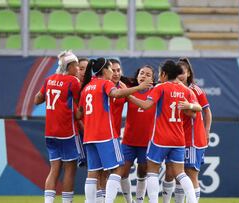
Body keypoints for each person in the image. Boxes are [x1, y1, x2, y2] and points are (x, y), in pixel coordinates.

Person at [78, 58, 152, 203]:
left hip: (89, 136)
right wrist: (139, 87)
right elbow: (116, 94)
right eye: (111, 69)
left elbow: (79, 114)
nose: (113, 72)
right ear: (104, 70)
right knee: (119, 169)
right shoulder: (106, 83)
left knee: (92, 173)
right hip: (105, 134)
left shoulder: (87, 87)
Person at [127, 60, 201, 203]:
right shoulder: (185, 90)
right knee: (180, 173)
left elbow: (146, 105)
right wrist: (189, 105)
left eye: (160, 73)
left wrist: (130, 96)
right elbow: (197, 109)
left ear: (165, 74)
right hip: (178, 139)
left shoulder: (161, 88)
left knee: (152, 171)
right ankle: (192, 201)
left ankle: (153, 201)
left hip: (160, 138)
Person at [34, 50, 84, 203]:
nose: (77, 69)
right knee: (70, 168)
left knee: (54, 168)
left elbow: (37, 100)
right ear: (69, 66)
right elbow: (79, 110)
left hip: (50, 132)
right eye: (76, 66)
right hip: (67, 131)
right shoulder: (73, 81)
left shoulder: (49, 79)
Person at [163, 58, 213, 203]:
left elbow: (206, 111)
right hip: (176, 138)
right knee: (175, 174)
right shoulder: (171, 88)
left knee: (190, 174)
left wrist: (207, 131)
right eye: (177, 72)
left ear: (189, 73)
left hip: (192, 139)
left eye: (183, 72)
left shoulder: (195, 90)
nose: (180, 75)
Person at [120, 65, 156, 203]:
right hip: (129, 140)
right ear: (137, 76)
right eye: (141, 73)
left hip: (146, 142)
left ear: (153, 79)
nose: (144, 76)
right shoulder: (130, 91)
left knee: (142, 172)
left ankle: (139, 200)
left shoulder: (156, 92)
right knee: (122, 173)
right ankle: (129, 201)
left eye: (148, 74)